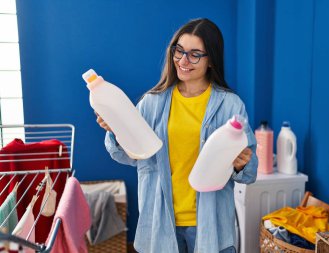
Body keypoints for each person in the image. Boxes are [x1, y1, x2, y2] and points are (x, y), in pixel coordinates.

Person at [96, 18, 258, 253]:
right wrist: (115, 130)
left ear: (211, 59)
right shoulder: (152, 103)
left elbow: (249, 171)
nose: (183, 60)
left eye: (194, 54)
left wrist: (242, 164)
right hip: (160, 220)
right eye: (179, 50)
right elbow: (130, 157)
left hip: (210, 223)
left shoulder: (230, 105)